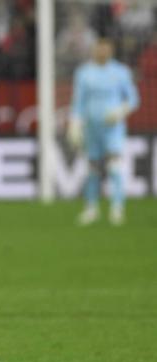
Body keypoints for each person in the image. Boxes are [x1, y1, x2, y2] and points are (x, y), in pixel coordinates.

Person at [67, 38, 139, 226]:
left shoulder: (121, 72)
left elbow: (133, 98)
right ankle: (91, 209)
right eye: (99, 49)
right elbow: (78, 102)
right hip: (92, 127)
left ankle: (117, 208)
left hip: (113, 127)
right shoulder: (84, 73)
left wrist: (121, 111)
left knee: (114, 166)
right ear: (94, 50)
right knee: (92, 168)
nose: (102, 52)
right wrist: (74, 123)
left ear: (111, 50)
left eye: (106, 49)